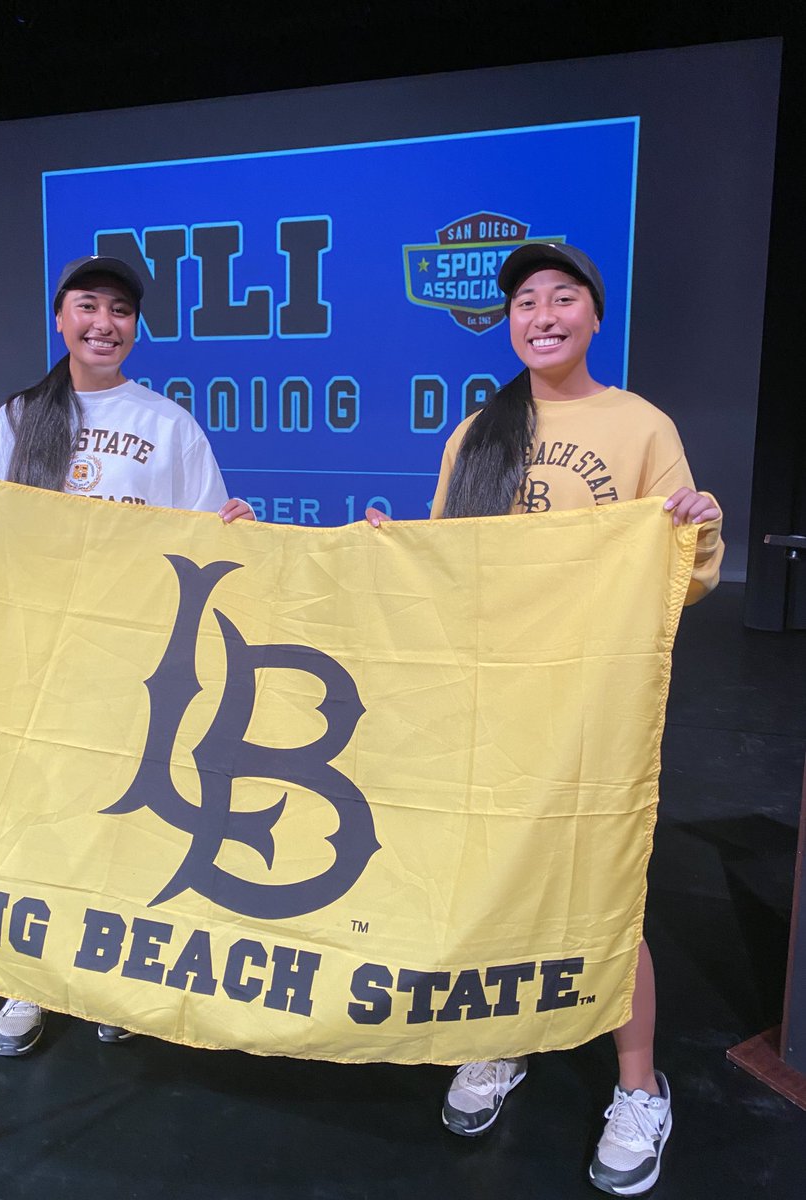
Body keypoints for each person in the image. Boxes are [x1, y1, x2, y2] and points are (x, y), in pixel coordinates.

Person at [367, 242, 723, 1197]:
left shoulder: (641, 425)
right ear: (510, 323)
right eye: (526, 301)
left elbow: (686, 576)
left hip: (592, 700)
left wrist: (692, 521)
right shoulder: (478, 432)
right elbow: (446, 566)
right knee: (497, 874)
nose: (543, 314)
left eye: (563, 298)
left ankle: (639, 1085)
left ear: (595, 318)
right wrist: (388, 550)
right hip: (494, 697)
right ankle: (498, 1039)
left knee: (602, 884)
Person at [0, 254, 253, 1058]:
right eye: (88, 306)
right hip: (40, 657)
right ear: (60, 318)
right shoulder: (20, 418)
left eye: (121, 310)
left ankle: (114, 982)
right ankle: (31, 976)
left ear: (137, 327)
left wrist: (236, 525)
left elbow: (203, 534)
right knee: (40, 812)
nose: (104, 323)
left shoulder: (169, 424)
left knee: (128, 817)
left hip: (134, 658)